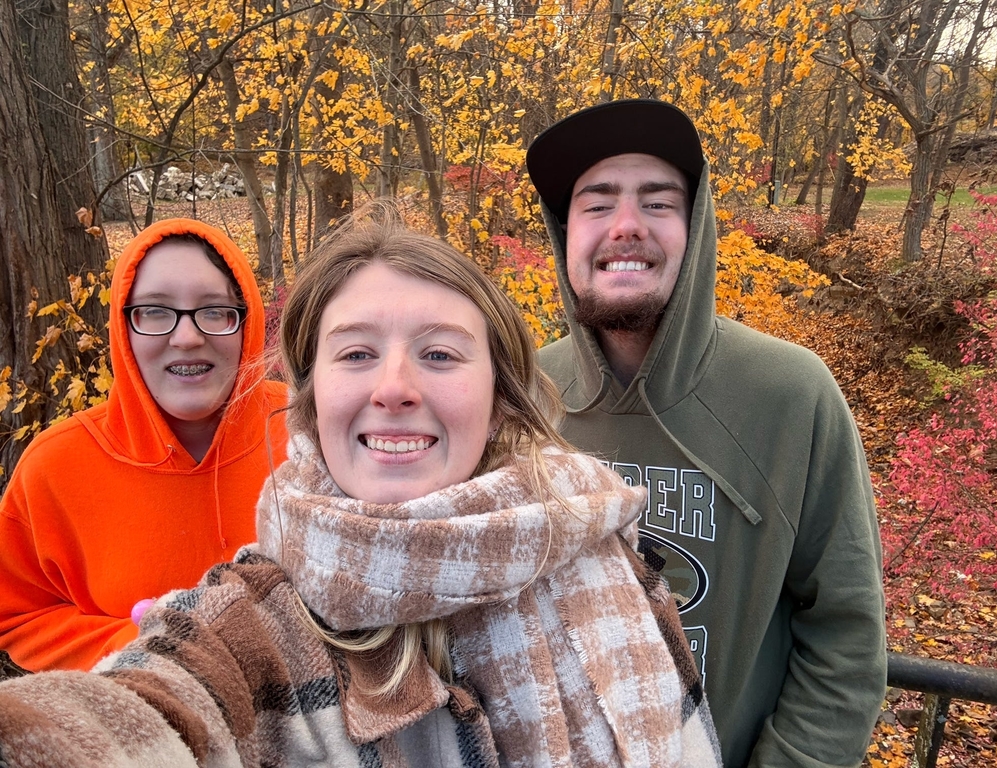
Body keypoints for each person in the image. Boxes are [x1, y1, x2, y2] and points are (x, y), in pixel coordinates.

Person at [0, 214, 722, 767]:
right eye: (355, 353)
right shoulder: (258, 626)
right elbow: (150, 709)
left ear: (501, 394)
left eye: (440, 353)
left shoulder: (606, 543)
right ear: (313, 402)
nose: (394, 388)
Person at [526, 100, 887, 768]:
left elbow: (847, 636)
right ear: (563, 231)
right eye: (597, 204)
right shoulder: (523, 397)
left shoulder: (790, 394)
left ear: (696, 229)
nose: (626, 226)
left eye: (658, 203)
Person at [0, 218, 289, 672]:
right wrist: (143, 644)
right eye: (155, 311)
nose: (188, 337)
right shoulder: (54, 467)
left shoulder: (311, 430)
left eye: (215, 310)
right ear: (123, 327)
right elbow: (19, 615)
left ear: (246, 322)